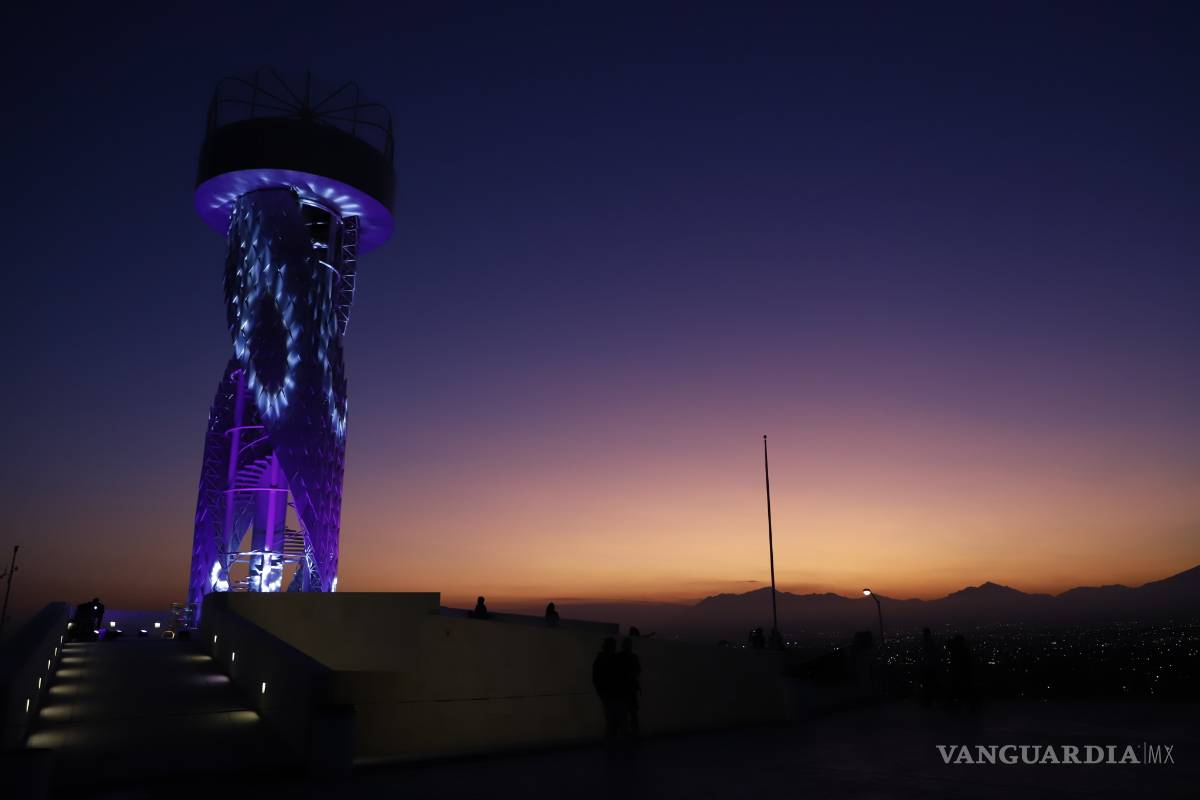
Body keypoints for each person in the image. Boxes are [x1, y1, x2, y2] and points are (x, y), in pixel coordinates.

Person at [592, 637, 626, 740]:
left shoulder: (601, 659)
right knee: (616, 721)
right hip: (612, 694)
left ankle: (611, 744)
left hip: (610, 694)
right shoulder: (612, 659)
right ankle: (614, 744)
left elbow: (596, 678)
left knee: (612, 721)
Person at [616, 636, 642, 736]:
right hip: (629, 689)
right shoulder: (633, 657)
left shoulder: (619, 657)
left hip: (623, 690)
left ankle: (626, 734)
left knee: (626, 714)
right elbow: (637, 671)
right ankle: (633, 733)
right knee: (632, 713)